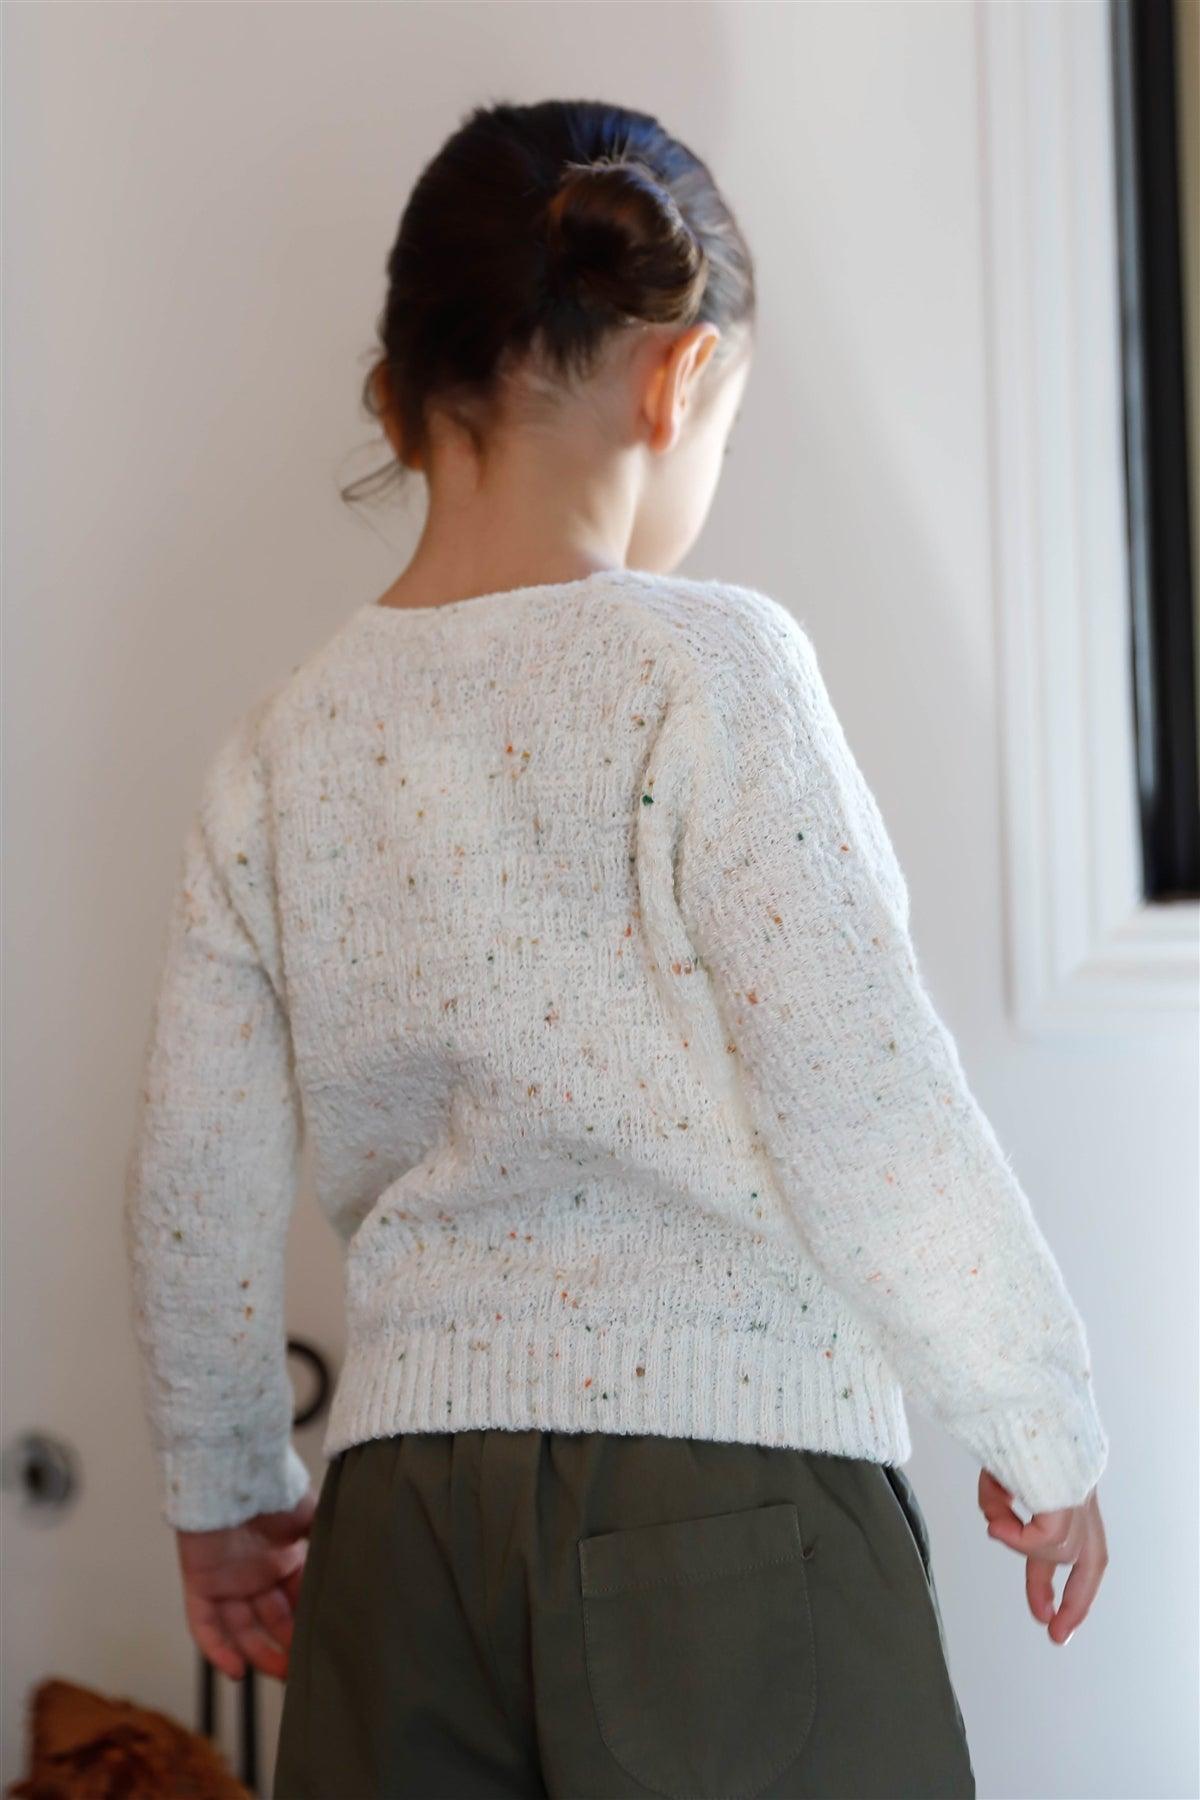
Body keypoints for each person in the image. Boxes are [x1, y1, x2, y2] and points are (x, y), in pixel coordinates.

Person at [122, 97, 1110, 1800]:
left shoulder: (280, 748)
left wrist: (222, 1493)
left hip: (398, 1536)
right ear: (679, 377)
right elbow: (865, 1093)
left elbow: (192, 1180)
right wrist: (1040, 1415)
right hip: (727, 1499)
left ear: (397, 396)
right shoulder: (708, 673)